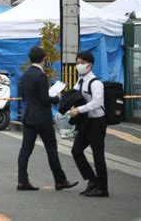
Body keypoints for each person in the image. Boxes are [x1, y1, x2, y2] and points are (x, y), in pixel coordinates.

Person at [17, 46, 78, 191]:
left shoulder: (25, 75)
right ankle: (60, 180)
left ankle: (22, 180)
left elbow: (24, 97)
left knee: (25, 151)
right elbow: (45, 98)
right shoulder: (41, 76)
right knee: (51, 150)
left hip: (29, 117)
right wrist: (56, 97)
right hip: (43, 119)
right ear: (44, 58)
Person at [70, 52, 109, 197]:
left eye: (81, 62)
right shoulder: (80, 81)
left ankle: (103, 188)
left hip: (97, 122)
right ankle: (92, 180)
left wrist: (78, 109)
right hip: (85, 122)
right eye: (77, 62)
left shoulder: (96, 83)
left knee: (98, 155)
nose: (78, 65)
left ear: (89, 65)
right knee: (76, 151)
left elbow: (97, 102)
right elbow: (74, 95)